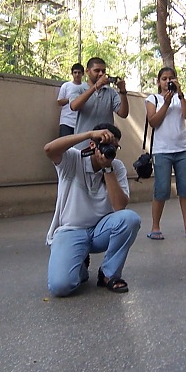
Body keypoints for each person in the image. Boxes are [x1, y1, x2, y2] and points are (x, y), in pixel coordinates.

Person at [44, 123, 140, 297]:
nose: (110, 150)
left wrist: (107, 169)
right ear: (93, 145)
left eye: (114, 146)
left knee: (130, 219)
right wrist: (89, 134)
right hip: (71, 231)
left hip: (99, 231)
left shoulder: (116, 167)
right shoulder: (73, 159)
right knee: (60, 286)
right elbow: (49, 149)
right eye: (105, 144)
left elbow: (119, 206)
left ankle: (108, 273)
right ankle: (80, 265)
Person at [145, 67, 186, 240]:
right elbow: (153, 122)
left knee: (185, 188)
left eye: (171, 78)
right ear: (158, 81)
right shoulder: (153, 99)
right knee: (161, 189)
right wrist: (166, 104)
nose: (167, 81)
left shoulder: (182, 97)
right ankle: (155, 227)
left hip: (183, 148)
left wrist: (180, 94)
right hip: (162, 151)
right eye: (164, 78)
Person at [70, 57, 129, 146]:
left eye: (103, 71)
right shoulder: (79, 89)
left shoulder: (111, 92)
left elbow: (123, 114)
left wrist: (123, 92)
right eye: (97, 71)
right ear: (88, 71)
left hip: (104, 145)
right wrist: (95, 87)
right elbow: (74, 106)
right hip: (83, 145)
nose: (101, 74)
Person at [56, 63, 85, 137]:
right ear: (72, 74)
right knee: (64, 145)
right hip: (66, 121)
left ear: (83, 74)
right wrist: (72, 99)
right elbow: (59, 102)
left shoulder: (86, 87)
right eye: (75, 72)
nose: (77, 75)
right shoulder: (66, 85)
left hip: (81, 122)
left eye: (79, 72)